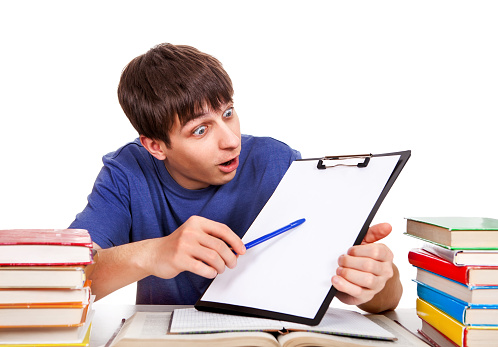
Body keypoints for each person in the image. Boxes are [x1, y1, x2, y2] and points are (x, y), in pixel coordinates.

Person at [70, 43, 402, 313]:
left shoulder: (277, 162)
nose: (230, 140)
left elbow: (387, 301)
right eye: (200, 130)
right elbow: (67, 280)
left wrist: (372, 282)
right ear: (156, 146)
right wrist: (155, 253)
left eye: (228, 113)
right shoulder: (128, 172)